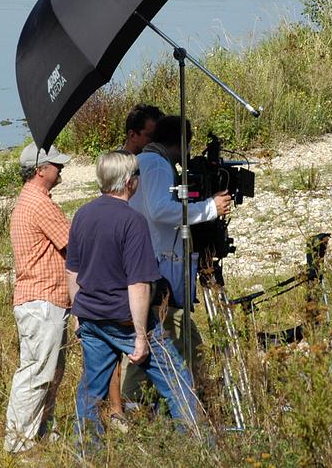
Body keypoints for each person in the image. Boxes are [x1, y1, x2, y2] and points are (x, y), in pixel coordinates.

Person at [67, 151, 199, 442]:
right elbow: (138, 283)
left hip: (90, 315)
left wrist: (78, 315)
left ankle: (85, 450)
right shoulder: (132, 220)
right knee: (177, 380)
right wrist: (141, 334)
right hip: (124, 319)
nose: (138, 180)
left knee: (90, 391)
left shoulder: (82, 214)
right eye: (136, 176)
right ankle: (195, 445)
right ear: (129, 182)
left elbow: (73, 272)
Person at [123, 115, 231, 402]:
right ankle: (199, 398)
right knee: (171, 333)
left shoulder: (146, 162)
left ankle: (141, 402)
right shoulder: (157, 164)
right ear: (182, 143)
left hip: (152, 258)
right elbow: (159, 210)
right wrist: (209, 208)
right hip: (159, 263)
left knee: (163, 334)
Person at [3, 142, 73, 454]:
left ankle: (38, 433)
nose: (61, 169)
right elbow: (73, 243)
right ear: (39, 170)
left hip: (39, 299)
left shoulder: (29, 199)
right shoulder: (39, 203)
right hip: (43, 300)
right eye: (56, 165)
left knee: (46, 371)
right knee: (35, 374)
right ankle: (18, 443)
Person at [109, 102, 162, 426]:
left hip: (143, 250)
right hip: (125, 262)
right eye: (148, 135)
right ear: (133, 135)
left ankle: (131, 402)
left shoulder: (146, 163)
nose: (152, 143)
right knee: (121, 340)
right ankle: (119, 407)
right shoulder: (120, 167)